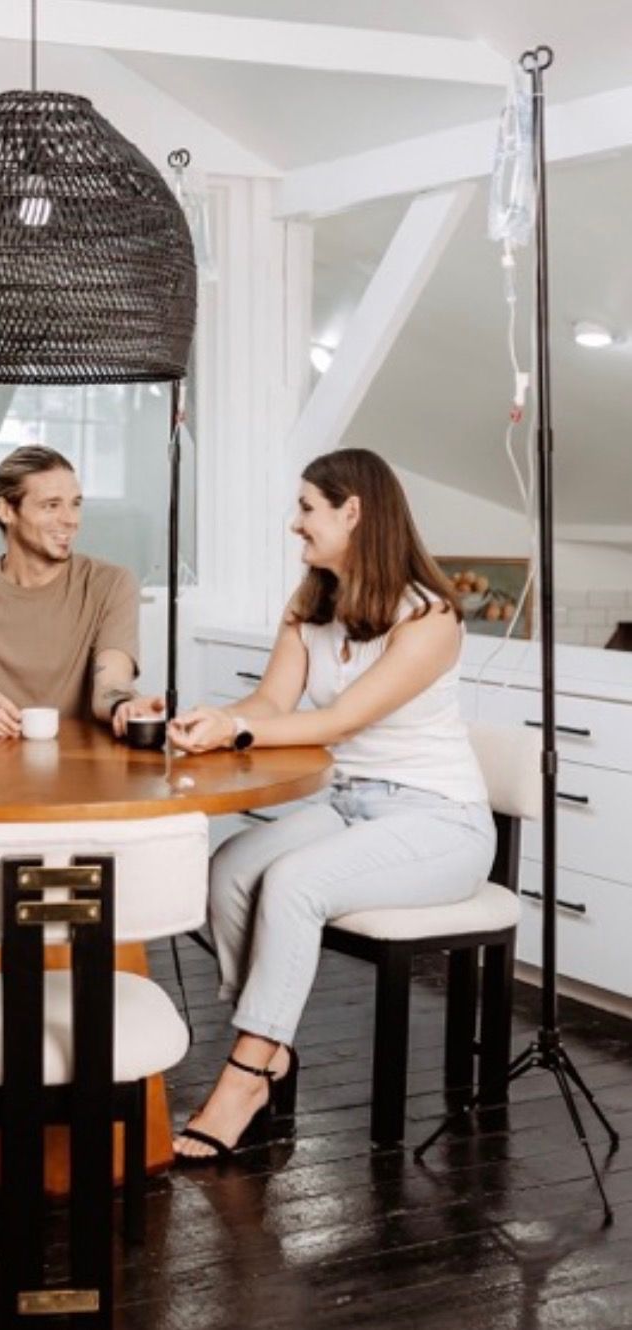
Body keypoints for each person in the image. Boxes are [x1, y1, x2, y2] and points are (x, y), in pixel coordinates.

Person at [167, 448, 495, 1161]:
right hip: (350, 804)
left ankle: (246, 1072)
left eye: (307, 509)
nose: (296, 525)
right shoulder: (311, 604)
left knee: (293, 883)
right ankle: (269, 1044)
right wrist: (216, 718)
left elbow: (339, 722)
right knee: (226, 869)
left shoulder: (429, 618)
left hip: (439, 820)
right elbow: (269, 702)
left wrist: (240, 729)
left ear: (352, 512)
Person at [0, 445, 162, 738]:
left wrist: (124, 705)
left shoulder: (111, 584)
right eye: (51, 505)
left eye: (75, 503)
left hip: (79, 769)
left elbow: (111, 684)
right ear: (7, 510)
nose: (71, 520)